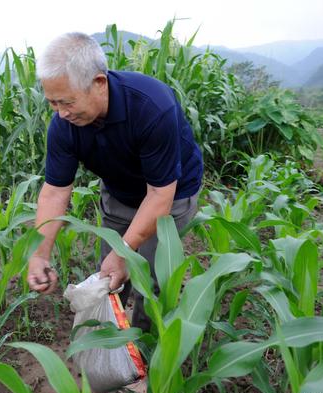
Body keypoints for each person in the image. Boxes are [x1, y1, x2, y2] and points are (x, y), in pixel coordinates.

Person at [27, 32, 203, 333]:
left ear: (99, 83)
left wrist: (125, 251)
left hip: (170, 194)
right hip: (120, 193)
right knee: (108, 274)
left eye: (67, 102)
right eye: (53, 103)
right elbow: (55, 192)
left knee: (153, 280)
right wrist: (39, 253)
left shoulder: (151, 106)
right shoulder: (64, 125)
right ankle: (108, 351)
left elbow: (160, 195)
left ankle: (147, 362)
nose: (61, 113)